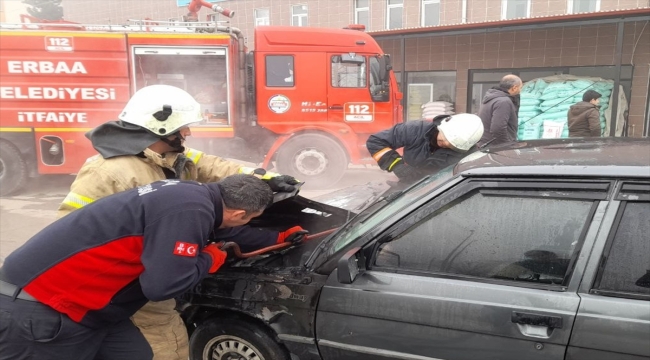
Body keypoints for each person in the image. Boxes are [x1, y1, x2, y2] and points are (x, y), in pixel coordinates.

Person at [56, 84, 299, 360]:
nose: (188, 133)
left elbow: (212, 165)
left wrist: (262, 177)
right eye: (183, 127)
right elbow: (72, 229)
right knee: (167, 346)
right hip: (126, 280)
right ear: (160, 127)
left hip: (150, 270)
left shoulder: (167, 156)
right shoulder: (109, 171)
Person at [0, 175, 308, 360]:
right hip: (42, 309)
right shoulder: (190, 211)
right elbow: (162, 286)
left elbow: (226, 231)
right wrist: (211, 258)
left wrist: (278, 237)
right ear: (241, 212)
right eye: (250, 218)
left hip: (92, 310)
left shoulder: (195, 195)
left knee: (135, 356)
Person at [366, 113, 484, 183]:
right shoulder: (415, 130)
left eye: (452, 145)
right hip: (408, 184)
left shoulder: (471, 155)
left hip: (437, 190)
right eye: (446, 137)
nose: (446, 144)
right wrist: (396, 165)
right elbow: (376, 141)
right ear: (442, 126)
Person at [477, 74, 522, 147]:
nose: (520, 91)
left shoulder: (492, 98)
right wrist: (507, 145)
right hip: (496, 148)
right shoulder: (503, 101)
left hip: (486, 144)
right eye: (520, 88)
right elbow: (498, 128)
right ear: (514, 88)